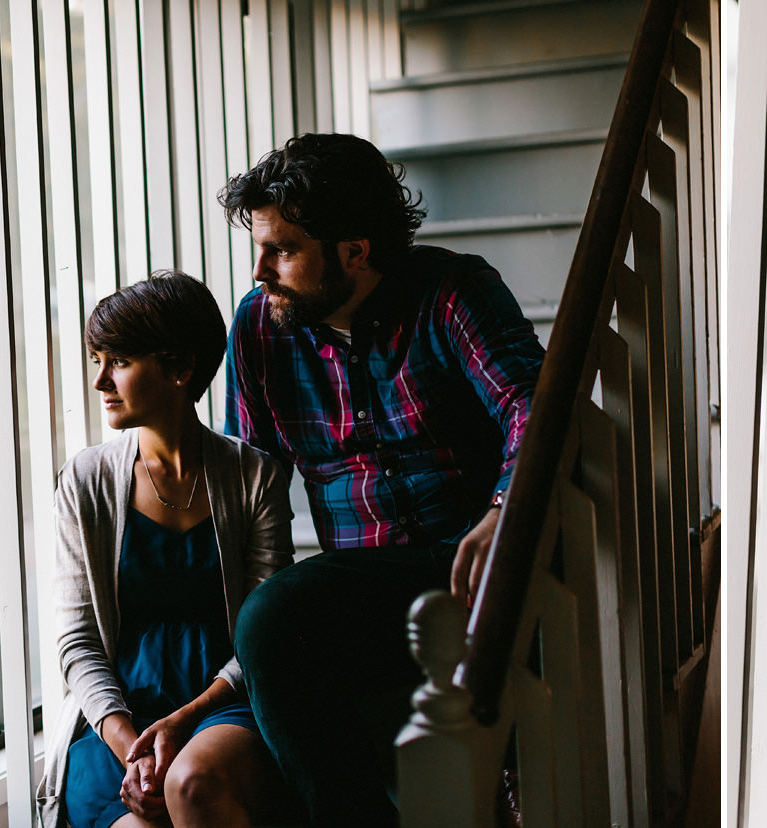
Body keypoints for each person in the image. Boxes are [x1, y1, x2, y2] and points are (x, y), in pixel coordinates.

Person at [216, 133, 544, 827]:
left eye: (283, 250)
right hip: (365, 583)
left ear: (355, 252)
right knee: (271, 620)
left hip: (472, 560)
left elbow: (532, 402)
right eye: (261, 246)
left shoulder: (453, 290)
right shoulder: (260, 329)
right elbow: (252, 474)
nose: (259, 270)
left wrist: (502, 510)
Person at [34, 272, 294, 828]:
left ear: (180, 369)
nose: (101, 379)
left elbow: (266, 630)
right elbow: (77, 640)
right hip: (116, 719)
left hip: (224, 702)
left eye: (120, 361)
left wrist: (184, 722)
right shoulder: (85, 480)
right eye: (96, 358)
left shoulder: (255, 477)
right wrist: (133, 747)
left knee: (195, 783)